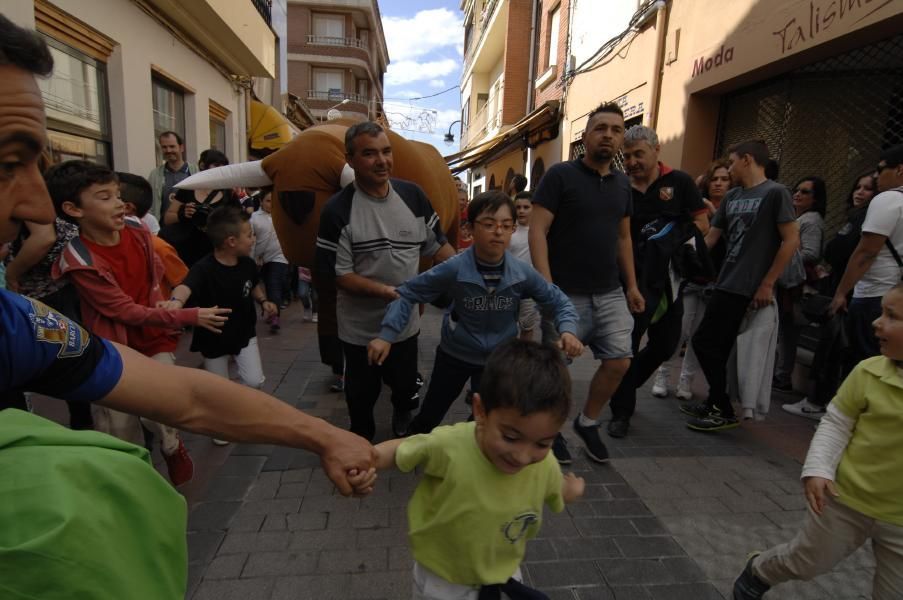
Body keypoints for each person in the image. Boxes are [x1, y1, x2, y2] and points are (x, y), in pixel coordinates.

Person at [0, 21, 376, 596]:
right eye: (6, 165)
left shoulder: (14, 322)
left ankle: (167, 455)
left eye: (34, 165)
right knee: (111, 443)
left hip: (150, 346)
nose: (32, 202)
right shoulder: (74, 265)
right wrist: (186, 313)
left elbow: (189, 396)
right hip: (155, 333)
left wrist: (323, 436)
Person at [50, 160, 232, 484]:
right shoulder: (79, 261)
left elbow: (155, 267)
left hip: (152, 337)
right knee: (119, 428)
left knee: (163, 406)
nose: (119, 203)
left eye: (118, 194)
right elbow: (124, 311)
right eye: (105, 197)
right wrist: (188, 314)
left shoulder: (137, 228)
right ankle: (138, 483)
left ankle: (172, 445)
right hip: (112, 350)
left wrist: (161, 295)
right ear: (72, 209)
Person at [374, 339, 586, 600]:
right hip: (444, 580)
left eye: (543, 443)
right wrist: (367, 458)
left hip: (501, 574)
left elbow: (555, 486)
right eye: (510, 437)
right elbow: (403, 450)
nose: (522, 456)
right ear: (480, 411)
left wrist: (571, 490)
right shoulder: (451, 444)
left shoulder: (545, 463)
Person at [733, 282, 903, 600]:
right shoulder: (868, 372)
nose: (876, 322)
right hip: (845, 500)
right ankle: (760, 570)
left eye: (891, 316)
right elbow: (836, 423)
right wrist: (819, 468)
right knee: (806, 561)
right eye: (881, 312)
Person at [368, 190, 582, 436]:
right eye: (489, 224)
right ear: (470, 228)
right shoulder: (454, 268)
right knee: (431, 414)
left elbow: (559, 301)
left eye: (505, 225)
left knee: (487, 416)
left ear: (513, 229)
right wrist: (386, 335)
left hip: (497, 360)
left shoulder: (522, 272)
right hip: (454, 354)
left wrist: (568, 330)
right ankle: (413, 449)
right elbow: (407, 293)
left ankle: (472, 453)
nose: (498, 231)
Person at [316, 121, 456, 441]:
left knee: (405, 385)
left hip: (405, 325)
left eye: (386, 151)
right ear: (350, 159)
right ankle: (360, 440)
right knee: (360, 395)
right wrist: (386, 292)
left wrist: (474, 272)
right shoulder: (337, 210)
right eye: (369, 154)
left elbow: (439, 249)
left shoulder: (413, 196)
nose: (382, 161)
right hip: (358, 330)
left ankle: (403, 411)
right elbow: (339, 275)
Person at [530, 101, 644, 464]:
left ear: (622, 138)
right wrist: (547, 289)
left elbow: (623, 239)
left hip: (609, 292)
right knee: (556, 372)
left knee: (620, 362)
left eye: (616, 129)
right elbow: (537, 231)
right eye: (601, 128)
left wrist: (632, 286)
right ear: (586, 135)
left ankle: (588, 421)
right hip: (565, 294)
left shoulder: (622, 184)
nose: (608, 135)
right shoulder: (560, 176)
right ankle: (550, 432)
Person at [681, 139, 799, 431]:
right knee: (715, 347)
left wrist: (767, 284)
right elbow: (712, 238)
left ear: (747, 159)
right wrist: (684, 260)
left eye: (732, 162)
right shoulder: (733, 197)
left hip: (747, 287)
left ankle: (722, 407)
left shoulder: (775, 193)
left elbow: (791, 239)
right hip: (725, 282)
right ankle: (714, 402)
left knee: (705, 343)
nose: (729, 168)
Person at [607, 125, 709, 438]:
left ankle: (626, 381)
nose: (633, 161)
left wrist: (671, 239)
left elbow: (702, 222)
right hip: (632, 279)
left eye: (639, 153)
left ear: (656, 150)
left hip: (668, 280)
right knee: (628, 345)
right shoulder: (620, 186)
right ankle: (621, 412)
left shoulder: (679, 182)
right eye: (627, 156)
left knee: (667, 344)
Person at [166, 207, 277, 445]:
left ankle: (239, 403)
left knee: (254, 381)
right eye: (249, 234)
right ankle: (221, 425)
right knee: (217, 389)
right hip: (213, 336)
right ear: (231, 241)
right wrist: (176, 302)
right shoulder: (204, 268)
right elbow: (186, 286)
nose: (253, 239)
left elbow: (254, 284)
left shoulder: (247, 263)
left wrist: (264, 301)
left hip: (245, 333)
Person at [653, 159, 730, 400]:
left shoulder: (732, 210)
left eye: (724, 179)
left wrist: (718, 216)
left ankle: (686, 380)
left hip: (716, 282)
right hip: (691, 278)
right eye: (714, 179)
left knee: (699, 335)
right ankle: (663, 375)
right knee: (680, 330)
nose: (718, 184)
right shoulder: (696, 205)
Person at [830, 144, 903, 374]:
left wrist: (841, 292)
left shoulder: (889, 199)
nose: (875, 176)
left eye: (881, 170)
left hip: (873, 293)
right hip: (896, 293)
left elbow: (867, 251)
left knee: (861, 363)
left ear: (900, 170)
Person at [773, 176, 826, 393]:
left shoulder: (811, 220)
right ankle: (780, 374)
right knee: (784, 330)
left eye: (805, 192)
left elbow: (811, 253)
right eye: (797, 189)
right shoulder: (800, 218)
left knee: (788, 331)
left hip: (795, 287)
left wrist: (784, 255)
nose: (797, 194)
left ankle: (782, 376)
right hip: (788, 284)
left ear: (815, 198)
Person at [118, 171, 187, 299]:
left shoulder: (157, 247)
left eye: (108, 197)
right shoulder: (94, 244)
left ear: (126, 207)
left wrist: (172, 307)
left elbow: (184, 284)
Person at [250, 187, 290, 333]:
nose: (271, 204)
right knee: (263, 286)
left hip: (280, 257)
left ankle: (275, 317)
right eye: (267, 201)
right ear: (260, 201)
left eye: (274, 202)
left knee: (274, 285)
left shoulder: (284, 215)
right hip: (260, 258)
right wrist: (253, 258)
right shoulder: (254, 218)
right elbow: (251, 240)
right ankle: (268, 308)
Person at [147, 131, 198, 221]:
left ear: (181, 147)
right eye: (164, 147)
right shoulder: (155, 175)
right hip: (163, 230)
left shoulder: (195, 172)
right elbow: (150, 204)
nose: (168, 150)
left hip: (189, 228)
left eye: (172, 146)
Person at [510, 190, 539, 340]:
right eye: (518, 207)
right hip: (508, 286)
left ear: (533, 208)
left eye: (526, 207)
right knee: (506, 326)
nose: (521, 211)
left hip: (529, 288)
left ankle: (523, 358)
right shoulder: (508, 231)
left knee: (527, 327)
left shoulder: (540, 232)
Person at [455, 177, 472, 253]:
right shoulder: (451, 213)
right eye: (459, 200)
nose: (461, 202)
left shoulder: (470, 211)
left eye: (463, 200)